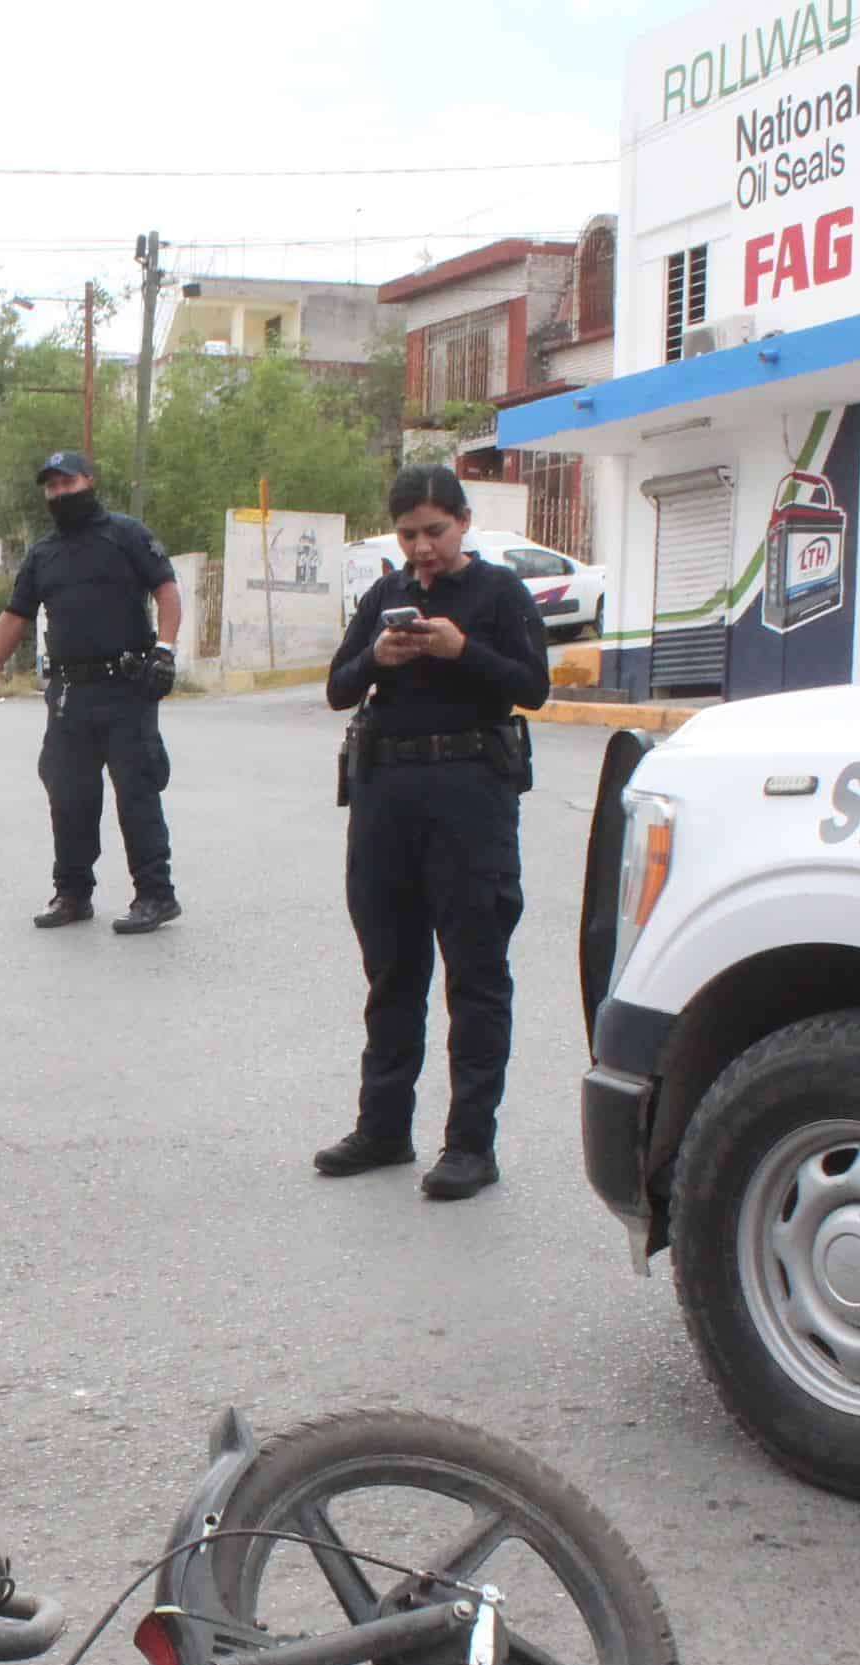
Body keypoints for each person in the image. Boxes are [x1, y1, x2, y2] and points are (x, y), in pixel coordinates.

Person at [313, 464, 550, 1202]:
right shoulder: (384, 596)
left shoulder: (499, 594)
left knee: (475, 972)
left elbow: (533, 687)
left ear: (464, 522)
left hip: (470, 800)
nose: (422, 549)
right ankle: (383, 1127)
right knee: (392, 970)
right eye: (410, 534)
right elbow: (337, 687)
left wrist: (460, 651)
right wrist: (376, 658)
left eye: (435, 532)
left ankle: (470, 1144)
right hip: (387, 799)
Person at [0, 451, 185, 934]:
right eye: (52, 487)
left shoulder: (127, 535)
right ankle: (73, 893)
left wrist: (164, 651)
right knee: (69, 797)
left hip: (126, 689)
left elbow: (166, 588)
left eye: (68, 483)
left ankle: (156, 895)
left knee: (137, 794)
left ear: (89, 481)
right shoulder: (44, 554)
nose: (60, 493)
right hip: (69, 696)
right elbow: (15, 619)